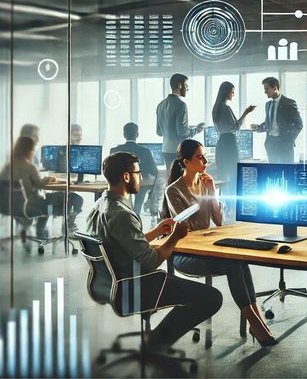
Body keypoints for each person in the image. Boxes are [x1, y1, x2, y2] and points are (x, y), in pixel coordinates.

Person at [86, 152, 222, 351]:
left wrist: (157, 232)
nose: (141, 177)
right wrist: (175, 237)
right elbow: (150, 261)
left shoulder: (100, 206)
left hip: (108, 284)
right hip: (135, 287)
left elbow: (121, 244)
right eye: (138, 173)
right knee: (211, 297)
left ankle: (155, 342)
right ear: (126, 176)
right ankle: (155, 344)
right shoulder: (122, 215)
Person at [163, 139, 277, 346]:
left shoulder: (206, 183)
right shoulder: (174, 190)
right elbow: (187, 228)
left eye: (205, 155)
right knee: (233, 262)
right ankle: (254, 320)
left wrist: (213, 193)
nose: (205, 160)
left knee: (240, 259)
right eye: (200, 156)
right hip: (186, 253)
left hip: (208, 249)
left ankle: (256, 316)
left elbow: (218, 221)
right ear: (186, 162)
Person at [0, 137, 83, 236]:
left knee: (46, 197)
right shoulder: (29, 167)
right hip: (31, 206)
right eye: (33, 150)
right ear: (29, 150)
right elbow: (40, 184)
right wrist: (51, 178)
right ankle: (68, 226)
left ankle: (41, 228)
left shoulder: (6, 167)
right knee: (76, 198)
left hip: (7, 207)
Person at [250, 77, 303, 164]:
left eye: (267, 89)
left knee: (286, 172)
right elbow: (269, 123)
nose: (265, 92)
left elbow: (299, 125)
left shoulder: (289, 103)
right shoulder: (268, 105)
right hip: (270, 144)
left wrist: (288, 141)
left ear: (275, 88)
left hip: (284, 145)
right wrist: (259, 127)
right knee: (273, 172)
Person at [156, 73, 205, 166]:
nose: (187, 89)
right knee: (181, 179)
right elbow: (182, 132)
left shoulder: (160, 105)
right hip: (178, 151)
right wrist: (196, 130)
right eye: (186, 85)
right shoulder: (181, 105)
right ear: (179, 85)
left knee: (171, 178)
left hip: (166, 150)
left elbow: (159, 132)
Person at [110, 123, 158, 215]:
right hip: (139, 183)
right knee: (138, 203)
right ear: (137, 135)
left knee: (124, 202)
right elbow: (154, 171)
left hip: (120, 184)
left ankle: (125, 216)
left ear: (124, 135)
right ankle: (136, 216)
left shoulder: (114, 151)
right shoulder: (145, 151)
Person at [211, 81, 255, 182]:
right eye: (232, 92)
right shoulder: (225, 108)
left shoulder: (215, 108)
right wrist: (246, 112)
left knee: (223, 176)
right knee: (234, 174)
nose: (233, 94)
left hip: (221, 142)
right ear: (226, 92)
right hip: (229, 143)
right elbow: (236, 127)